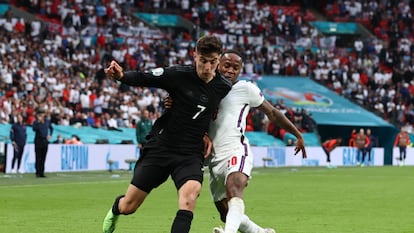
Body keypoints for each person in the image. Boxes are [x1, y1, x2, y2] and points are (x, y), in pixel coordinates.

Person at [102, 35, 232, 233]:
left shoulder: (224, 87)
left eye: (213, 62)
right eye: (203, 61)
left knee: (190, 197)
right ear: (194, 56)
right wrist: (121, 76)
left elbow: (217, 114)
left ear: (219, 59)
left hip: (190, 153)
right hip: (162, 147)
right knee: (129, 206)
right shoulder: (178, 74)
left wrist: (206, 133)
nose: (207, 68)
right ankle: (115, 209)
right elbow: (145, 77)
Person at [207, 50, 307, 233]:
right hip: (213, 158)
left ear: (240, 70)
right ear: (218, 64)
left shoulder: (246, 88)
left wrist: (297, 134)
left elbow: (273, 114)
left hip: (237, 150)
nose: (230, 70)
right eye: (226, 65)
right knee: (226, 213)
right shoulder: (205, 86)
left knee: (234, 190)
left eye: (235, 68)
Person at [32, 108, 54, 178]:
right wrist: (39, 122)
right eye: (40, 114)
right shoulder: (36, 122)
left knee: (43, 157)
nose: (41, 115)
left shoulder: (47, 121)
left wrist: (50, 135)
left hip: (45, 141)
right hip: (38, 141)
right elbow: (34, 129)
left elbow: (51, 128)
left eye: (42, 114)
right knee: (38, 157)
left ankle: (42, 172)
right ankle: (37, 172)